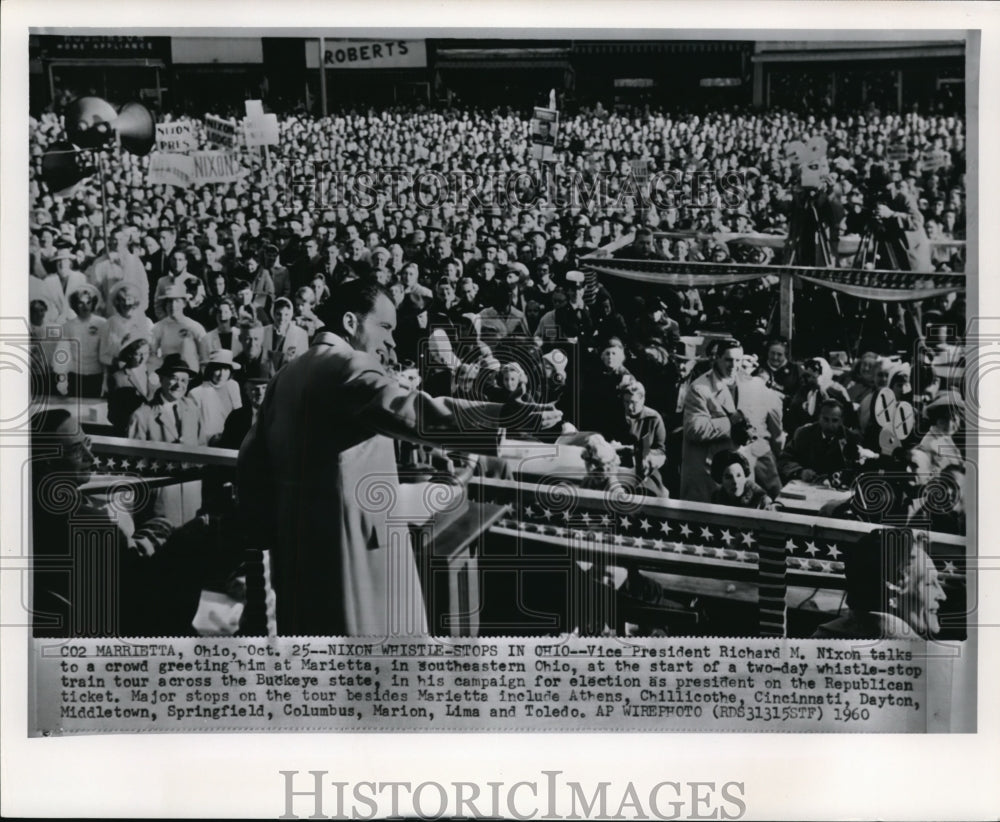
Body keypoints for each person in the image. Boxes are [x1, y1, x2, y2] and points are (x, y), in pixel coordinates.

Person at [237, 280, 560, 636]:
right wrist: (505, 415)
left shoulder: (285, 375)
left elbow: (251, 462)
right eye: (385, 327)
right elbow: (417, 414)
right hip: (356, 550)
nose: (391, 340)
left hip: (295, 548)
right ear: (350, 322)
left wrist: (270, 532)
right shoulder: (349, 366)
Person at [29, 408, 200, 637]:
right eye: (75, 450)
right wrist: (179, 539)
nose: (90, 457)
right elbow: (150, 599)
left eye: (86, 442)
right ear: (47, 461)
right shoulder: (88, 522)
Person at [680, 339, 782, 502]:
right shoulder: (700, 388)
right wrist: (732, 424)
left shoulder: (750, 383)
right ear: (717, 358)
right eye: (728, 360)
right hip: (711, 472)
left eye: (738, 360)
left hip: (740, 472)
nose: (734, 365)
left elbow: (763, 418)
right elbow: (694, 428)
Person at [813, 528, 946, 639]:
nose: (942, 595)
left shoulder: (817, 640)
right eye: (929, 584)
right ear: (894, 585)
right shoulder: (926, 659)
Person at [779, 398, 863, 484]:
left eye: (835, 420)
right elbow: (784, 460)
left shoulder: (851, 438)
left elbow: (858, 470)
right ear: (819, 417)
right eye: (826, 419)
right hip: (807, 486)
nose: (830, 425)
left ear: (841, 421)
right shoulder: (803, 434)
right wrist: (800, 472)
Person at [608, 379, 668, 497]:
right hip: (617, 466)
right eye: (626, 402)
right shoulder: (614, 415)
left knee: (659, 495)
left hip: (645, 468)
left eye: (633, 402)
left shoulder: (654, 419)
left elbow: (661, 449)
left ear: (643, 400)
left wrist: (645, 455)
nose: (629, 407)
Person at [53, 283, 106, 399]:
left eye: (88, 302)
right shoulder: (68, 326)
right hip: (75, 376)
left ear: (93, 304)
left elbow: (105, 352)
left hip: (96, 376)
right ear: (75, 305)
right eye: (80, 303)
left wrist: (106, 381)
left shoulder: (102, 324)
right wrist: (62, 378)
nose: (85, 307)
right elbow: (62, 354)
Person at [189, 350, 243, 445]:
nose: (222, 374)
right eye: (217, 369)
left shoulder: (233, 386)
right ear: (210, 370)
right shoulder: (196, 393)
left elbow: (238, 417)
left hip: (231, 440)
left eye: (226, 369)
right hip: (206, 443)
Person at [919, 389, 964, 473]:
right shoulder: (931, 443)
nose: (949, 424)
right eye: (944, 419)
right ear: (935, 419)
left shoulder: (945, 438)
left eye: (954, 419)